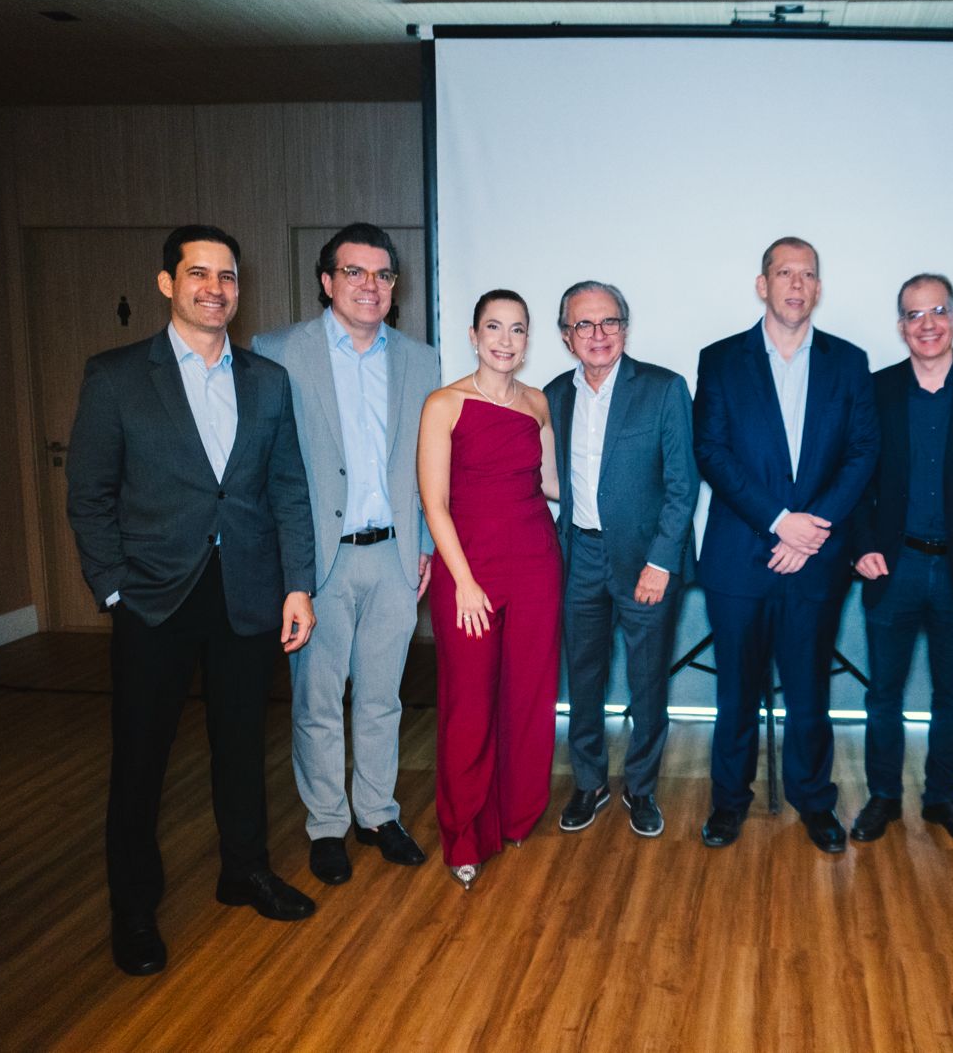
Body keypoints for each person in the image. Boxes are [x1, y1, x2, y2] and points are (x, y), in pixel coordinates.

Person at [66, 225, 318, 977]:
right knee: (140, 760)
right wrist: (114, 587)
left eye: (227, 276)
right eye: (199, 273)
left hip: (247, 593)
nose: (215, 288)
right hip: (154, 598)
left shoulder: (267, 380)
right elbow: (89, 494)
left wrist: (297, 584)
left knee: (241, 745)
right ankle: (133, 909)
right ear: (167, 284)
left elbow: (288, 489)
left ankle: (244, 871)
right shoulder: (116, 377)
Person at [252, 223, 439, 885]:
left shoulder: (422, 360)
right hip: (317, 562)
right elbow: (266, 468)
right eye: (354, 272)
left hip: (395, 557)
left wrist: (424, 544)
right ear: (327, 281)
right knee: (317, 701)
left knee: (383, 699)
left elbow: (428, 463)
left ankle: (378, 814)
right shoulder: (277, 352)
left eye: (383, 274)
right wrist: (287, 569)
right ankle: (327, 824)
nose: (370, 285)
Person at [693, 236, 879, 853]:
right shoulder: (721, 360)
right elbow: (711, 452)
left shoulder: (849, 362)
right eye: (783, 273)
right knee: (736, 695)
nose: (795, 284)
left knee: (809, 695)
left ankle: (815, 801)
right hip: (739, 560)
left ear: (818, 289)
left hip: (817, 559)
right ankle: (729, 802)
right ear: (762, 284)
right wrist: (779, 521)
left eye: (807, 275)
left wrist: (811, 527)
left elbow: (863, 453)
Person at [847, 273, 953, 848]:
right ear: (901, 326)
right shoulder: (877, 389)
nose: (928, 324)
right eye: (915, 314)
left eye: (938, 311)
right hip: (892, 567)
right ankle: (883, 796)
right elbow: (856, 476)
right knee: (883, 695)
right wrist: (861, 545)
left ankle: (942, 797)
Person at [417, 289, 562, 889]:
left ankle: (516, 814)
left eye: (518, 329)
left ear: (528, 340)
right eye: (494, 328)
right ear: (474, 336)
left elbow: (551, 484)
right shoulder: (444, 404)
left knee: (528, 698)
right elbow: (434, 502)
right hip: (468, 572)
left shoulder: (538, 403)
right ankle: (465, 834)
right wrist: (464, 582)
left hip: (536, 565)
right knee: (469, 705)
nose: (506, 340)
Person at [544, 282, 699, 838]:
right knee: (583, 678)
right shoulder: (553, 394)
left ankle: (641, 787)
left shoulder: (664, 388)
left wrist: (662, 561)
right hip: (580, 555)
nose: (598, 334)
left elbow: (683, 485)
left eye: (609, 322)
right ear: (567, 337)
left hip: (645, 560)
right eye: (583, 324)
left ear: (625, 329)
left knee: (648, 680)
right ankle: (589, 782)